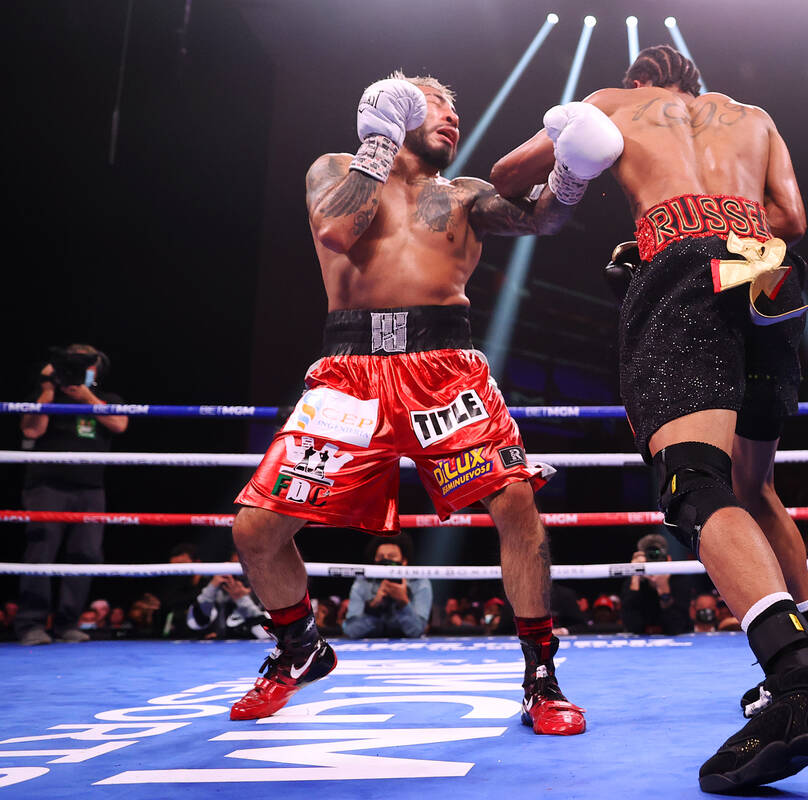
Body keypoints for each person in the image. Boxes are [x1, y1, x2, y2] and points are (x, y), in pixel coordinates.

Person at [491, 45, 808, 792]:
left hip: (683, 260)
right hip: (766, 268)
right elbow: (792, 217)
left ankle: (803, 685)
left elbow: (509, 176)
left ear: (641, 79)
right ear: (695, 83)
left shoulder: (610, 100)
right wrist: (722, 219)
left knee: (694, 480)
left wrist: (587, 182)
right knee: (755, 488)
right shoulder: (755, 116)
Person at [226, 70, 620, 735]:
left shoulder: (464, 195)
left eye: (457, 109)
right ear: (397, 109)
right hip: (351, 374)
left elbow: (542, 218)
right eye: (439, 103)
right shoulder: (335, 168)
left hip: (445, 371)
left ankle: (541, 677)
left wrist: (574, 173)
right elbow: (336, 233)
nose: (453, 116)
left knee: (515, 500)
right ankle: (299, 648)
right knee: (255, 531)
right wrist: (378, 143)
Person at [16, 344, 128, 645]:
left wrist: (87, 397)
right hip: (46, 487)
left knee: (86, 554)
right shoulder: (47, 396)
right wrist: (47, 388)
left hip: (90, 490)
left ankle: (67, 623)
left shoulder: (108, 399)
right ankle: (31, 624)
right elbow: (32, 431)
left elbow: (119, 424)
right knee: (41, 552)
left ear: (96, 367)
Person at [342, 533, 432, 639]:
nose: (385, 561)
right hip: (370, 650)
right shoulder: (362, 583)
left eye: (391, 556)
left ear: (404, 561)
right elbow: (351, 631)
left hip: (408, 651)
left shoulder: (419, 582)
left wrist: (403, 602)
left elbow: (417, 631)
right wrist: (373, 607)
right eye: (380, 557)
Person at [620, 532, 692, 634]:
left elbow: (675, 628)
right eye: (649, 554)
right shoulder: (633, 583)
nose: (653, 557)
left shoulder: (679, 580)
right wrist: (635, 577)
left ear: (668, 559)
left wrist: (664, 591)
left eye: (657, 554)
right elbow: (632, 628)